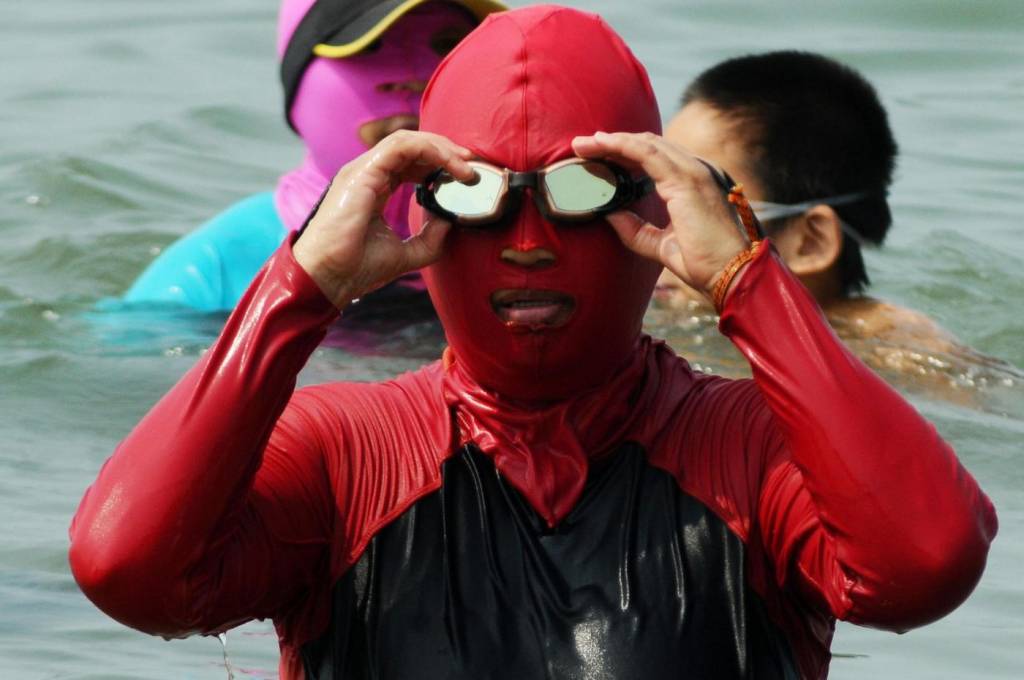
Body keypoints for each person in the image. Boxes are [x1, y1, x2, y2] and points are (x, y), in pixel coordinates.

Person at [69, 7, 997, 680]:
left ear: (648, 197)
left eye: (579, 190)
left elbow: (925, 565)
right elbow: (128, 570)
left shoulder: (748, 451)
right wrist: (299, 288)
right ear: (423, 196)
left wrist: (746, 284)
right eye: (472, 190)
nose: (525, 239)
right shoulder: (345, 454)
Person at [122, 0, 502, 311]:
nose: (412, 76)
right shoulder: (210, 272)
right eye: (369, 46)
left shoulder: (526, 241)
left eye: (446, 43)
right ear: (299, 84)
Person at [659, 51, 987, 378]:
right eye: (654, 188)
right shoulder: (671, 315)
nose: (655, 222)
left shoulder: (898, 354)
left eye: (698, 203)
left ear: (810, 242)